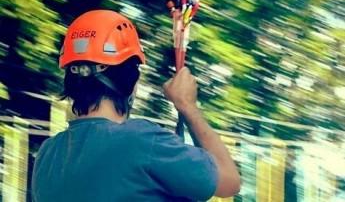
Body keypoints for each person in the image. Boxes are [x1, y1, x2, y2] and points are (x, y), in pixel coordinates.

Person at [32, 10, 240, 202]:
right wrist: (188, 106)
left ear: (70, 81)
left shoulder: (47, 155)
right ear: (131, 82)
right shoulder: (142, 141)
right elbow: (229, 181)